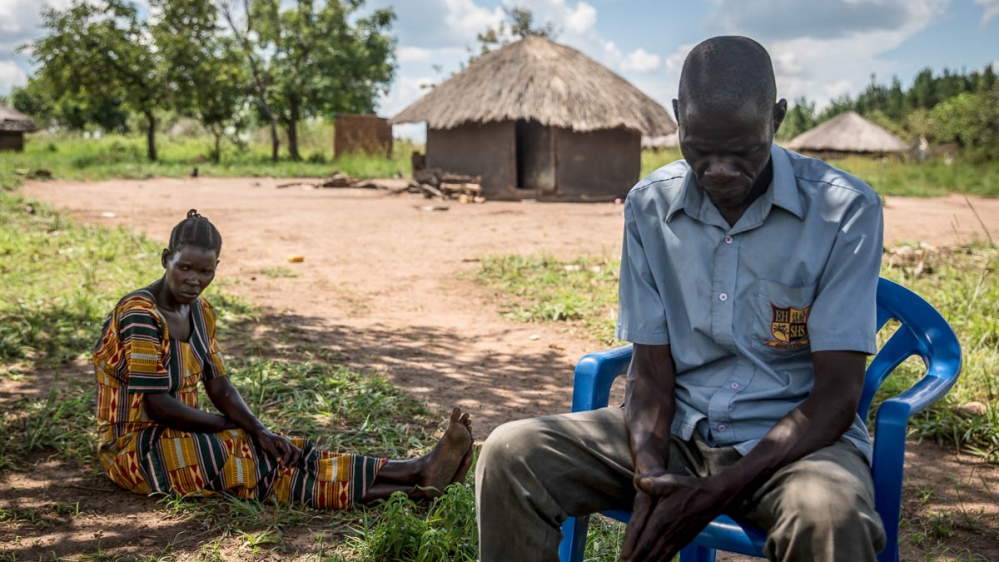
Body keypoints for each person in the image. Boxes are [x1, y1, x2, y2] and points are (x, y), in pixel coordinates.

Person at [475, 36, 886, 562]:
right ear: (677, 118)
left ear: (777, 119)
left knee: (829, 518)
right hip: (678, 434)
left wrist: (713, 493)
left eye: (743, 151)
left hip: (795, 450)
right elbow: (649, 369)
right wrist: (651, 477)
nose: (719, 170)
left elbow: (836, 397)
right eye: (699, 149)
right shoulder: (650, 206)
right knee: (512, 453)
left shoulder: (843, 209)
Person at [93, 210, 473, 508]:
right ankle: (413, 487)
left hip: (180, 433)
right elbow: (157, 406)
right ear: (166, 259)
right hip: (135, 450)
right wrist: (230, 427)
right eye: (184, 268)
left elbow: (219, 386)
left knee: (278, 450)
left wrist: (259, 430)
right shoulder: (140, 313)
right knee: (246, 460)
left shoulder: (201, 312)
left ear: (217, 268)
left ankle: (413, 470)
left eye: (205, 271)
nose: (194, 280)